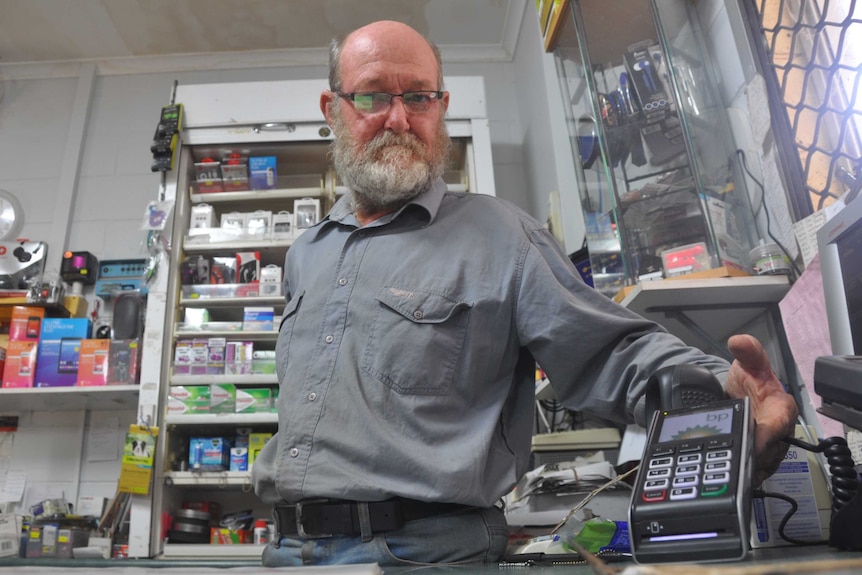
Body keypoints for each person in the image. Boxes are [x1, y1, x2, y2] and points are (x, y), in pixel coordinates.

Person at [252, 19, 798, 567]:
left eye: (418, 97)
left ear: (440, 107)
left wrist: (720, 396)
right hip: (285, 551)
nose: (399, 118)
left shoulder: (502, 237)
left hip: (415, 555)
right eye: (373, 96)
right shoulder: (308, 253)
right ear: (332, 109)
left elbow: (609, 349)